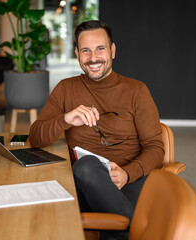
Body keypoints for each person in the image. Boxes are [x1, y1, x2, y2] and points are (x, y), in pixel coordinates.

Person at [29, 20, 164, 240]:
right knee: (87, 166)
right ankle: (132, 229)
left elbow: (156, 147)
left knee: (112, 225)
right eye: (86, 51)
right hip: (84, 182)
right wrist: (66, 119)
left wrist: (128, 173)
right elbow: (35, 137)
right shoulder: (66, 89)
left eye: (100, 48)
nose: (93, 58)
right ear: (77, 53)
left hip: (130, 180)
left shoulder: (136, 91)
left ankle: (124, 227)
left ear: (112, 50)